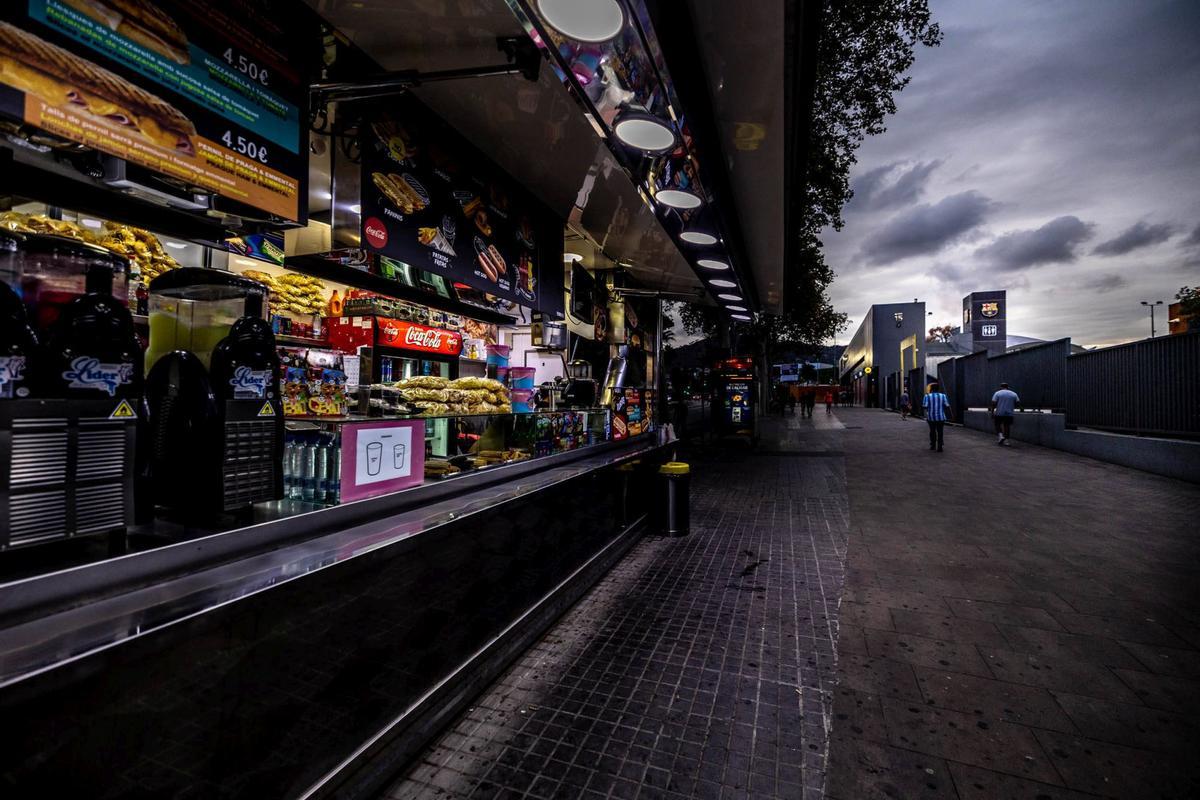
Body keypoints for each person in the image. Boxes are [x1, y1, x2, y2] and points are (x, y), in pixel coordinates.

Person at [922, 381, 952, 452]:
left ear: (931, 389)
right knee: (940, 431)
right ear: (938, 389)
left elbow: (924, 406)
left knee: (932, 431)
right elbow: (947, 405)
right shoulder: (943, 396)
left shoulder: (927, 396)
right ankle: (940, 446)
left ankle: (933, 445)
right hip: (941, 417)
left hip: (931, 417)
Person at [989, 382, 1020, 446]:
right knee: (1007, 426)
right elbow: (1018, 403)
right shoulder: (1014, 394)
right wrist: (1011, 406)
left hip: (999, 412)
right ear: (1008, 387)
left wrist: (992, 412)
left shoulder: (997, 393)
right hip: (1009, 413)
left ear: (1001, 387)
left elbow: (993, 403)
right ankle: (1007, 441)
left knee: (997, 424)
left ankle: (1000, 436)